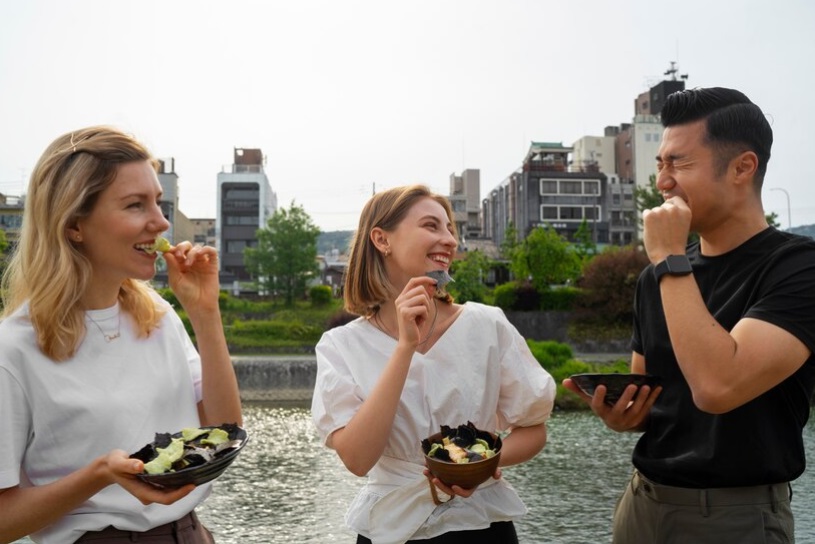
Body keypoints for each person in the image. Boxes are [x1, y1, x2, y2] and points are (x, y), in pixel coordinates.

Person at [564, 87, 815, 543]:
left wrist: (669, 260)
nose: (662, 181)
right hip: (642, 503)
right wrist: (625, 415)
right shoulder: (655, 278)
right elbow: (654, 400)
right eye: (660, 164)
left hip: (735, 517)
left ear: (742, 167)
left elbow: (719, 387)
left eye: (679, 163)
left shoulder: (798, 267)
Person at [0, 126, 243, 543]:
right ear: (75, 224)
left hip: (191, 534)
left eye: (158, 203)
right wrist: (98, 476)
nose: (161, 222)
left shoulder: (158, 316)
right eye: (135, 205)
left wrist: (205, 314)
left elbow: (223, 429)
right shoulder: (14, 350)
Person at [311, 184, 556, 543]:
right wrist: (405, 347)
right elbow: (358, 460)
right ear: (382, 239)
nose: (449, 241)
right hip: (390, 528)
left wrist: (478, 466)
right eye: (431, 226)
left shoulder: (486, 325)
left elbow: (533, 428)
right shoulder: (342, 345)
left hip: (482, 524)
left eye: (450, 230)